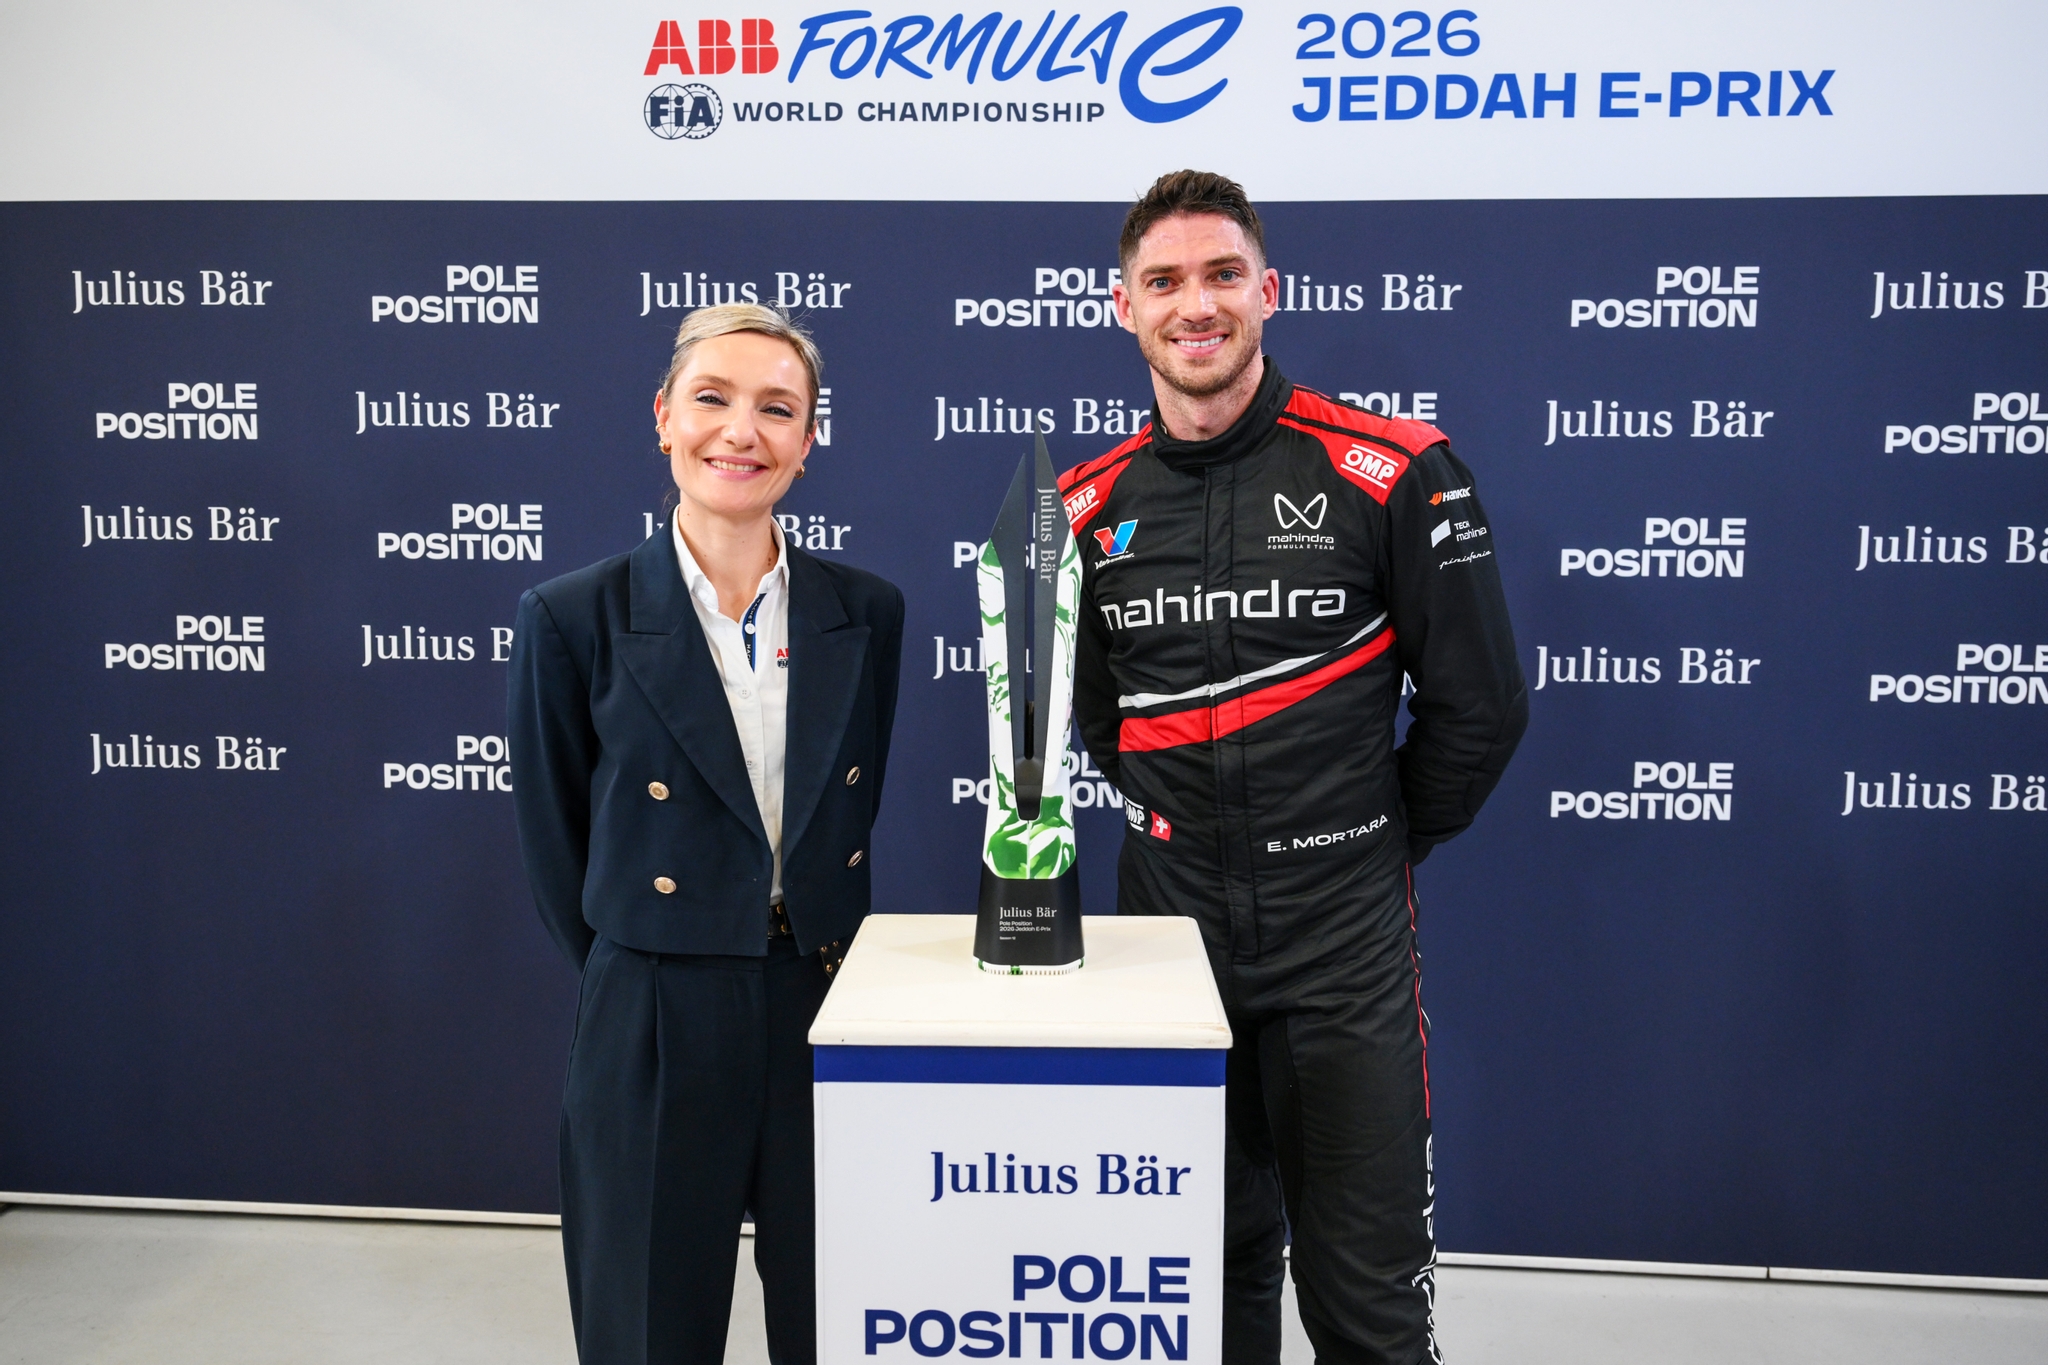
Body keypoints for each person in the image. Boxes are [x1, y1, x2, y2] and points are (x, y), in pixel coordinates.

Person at [1058, 171, 1527, 1365]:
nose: (1194, 305)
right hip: (1165, 946)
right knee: (1191, 1303)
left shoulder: (1393, 469)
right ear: (1123, 308)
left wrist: (1362, 841)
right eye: (1162, 281)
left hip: (1340, 953)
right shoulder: (1082, 507)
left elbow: (1479, 710)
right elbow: (1100, 726)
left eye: (1221, 275)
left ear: (1267, 291)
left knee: (1365, 1312)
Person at [508, 303, 904, 1365]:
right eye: (713, 400)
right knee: (647, 1325)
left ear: (809, 441)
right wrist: (639, 969)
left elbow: (846, 814)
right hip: (651, 1005)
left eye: (778, 409)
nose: (743, 432)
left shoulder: (867, 611)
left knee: (840, 1319)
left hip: (821, 1000)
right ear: (663, 419)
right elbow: (558, 843)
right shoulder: (572, 616)